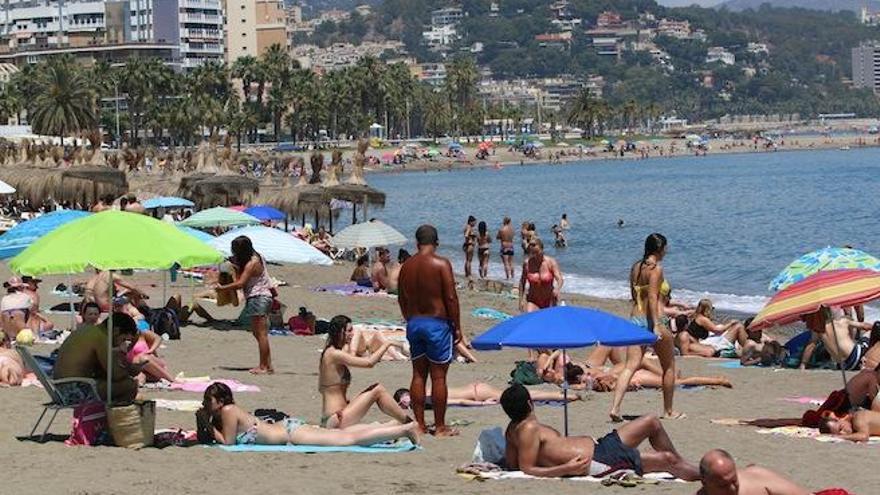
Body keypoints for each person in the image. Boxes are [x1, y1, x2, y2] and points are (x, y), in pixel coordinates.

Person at [500, 384, 699, 480]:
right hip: (600, 460)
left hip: (602, 446)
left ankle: (683, 465)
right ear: (529, 403)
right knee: (666, 459)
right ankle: (706, 477)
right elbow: (526, 469)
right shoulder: (528, 428)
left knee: (651, 422)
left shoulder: (514, 428)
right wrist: (565, 469)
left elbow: (511, 463)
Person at [200, 382, 419, 447]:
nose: (204, 404)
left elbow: (227, 442)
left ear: (220, 402)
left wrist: (205, 423)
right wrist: (204, 423)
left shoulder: (228, 410)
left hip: (293, 433)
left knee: (347, 440)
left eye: (207, 401)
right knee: (344, 436)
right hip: (290, 430)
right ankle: (388, 426)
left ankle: (404, 428)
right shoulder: (225, 414)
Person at [397, 224, 462, 436]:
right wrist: (457, 326)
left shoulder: (406, 266)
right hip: (437, 323)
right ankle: (440, 426)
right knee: (439, 377)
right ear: (436, 243)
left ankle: (421, 425)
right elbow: (451, 297)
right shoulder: (441, 264)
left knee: (418, 374)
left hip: (415, 322)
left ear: (417, 243)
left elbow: (401, 298)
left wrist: (410, 318)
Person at [610, 233, 682, 422]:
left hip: (635, 318)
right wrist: (657, 324)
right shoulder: (656, 269)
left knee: (630, 366)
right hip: (653, 321)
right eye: (665, 248)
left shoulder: (636, 267)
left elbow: (634, 294)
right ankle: (668, 411)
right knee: (668, 367)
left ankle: (615, 407)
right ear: (660, 249)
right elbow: (652, 297)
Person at [318, 315, 410, 428]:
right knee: (378, 390)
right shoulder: (334, 354)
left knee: (381, 424)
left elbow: (322, 388)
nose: (352, 334)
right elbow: (369, 363)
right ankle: (409, 422)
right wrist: (388, 344)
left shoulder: (332, 352)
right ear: (340, 332)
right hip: (335, 418)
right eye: (349, 331)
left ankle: (406, 422)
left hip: (338, 414)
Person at [213, 236, 274, 374]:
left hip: (258, 297)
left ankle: (264, 366)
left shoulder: (252, 263)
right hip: (261, 297)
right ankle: (267, 364)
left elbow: (241, 283)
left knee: (261, 334)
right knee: (258, 333)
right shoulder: (258, 256)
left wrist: (222, 289)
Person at [53, 313, 142, 403]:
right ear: (116, 331)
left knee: (113, 382)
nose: (120, 344)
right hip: (73, 391)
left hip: (61, 388)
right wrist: (131, 369)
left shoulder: (90, 331)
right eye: (122, 339)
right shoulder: (101, 337)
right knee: (130, 385)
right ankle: (113, 416)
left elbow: (102, 370)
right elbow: (116, 374)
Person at [696, 449, 811, 495]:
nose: (732, 488)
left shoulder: (757, 479)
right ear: (705, 483)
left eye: (734, 481)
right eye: (723, 485)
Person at [394, 382, 580, 408]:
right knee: (522, 394)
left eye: (402, 401)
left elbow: (458, 401)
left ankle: (565, 396)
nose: (404, 405)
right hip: (477, 388)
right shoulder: (425, 390)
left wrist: (483, 405)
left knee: (523, 395)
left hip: (478, 394)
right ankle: (562, 395)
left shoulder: (427, 398)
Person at [676, 300, 750, 358]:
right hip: (703, 342)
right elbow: (717, 331)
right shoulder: (703, 319)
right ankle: (749, 350)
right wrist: (731, 323)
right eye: (712, 309)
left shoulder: (695, 315)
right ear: (707, 309)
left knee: (727, 327)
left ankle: (747, 348)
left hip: (701, 341)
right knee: (738, 326)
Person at [799, 309, 866, 371]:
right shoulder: (841, 321)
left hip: (844, 366)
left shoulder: (817, 331)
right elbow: (864, 326)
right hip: (856, 355)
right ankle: (866, 362)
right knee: (867, 336)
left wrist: (803, 364)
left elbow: (810, 347)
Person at [518, 238, 563, 312]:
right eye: (533, 253)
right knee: (531, 319)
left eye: (537, 252)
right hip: (533, 300)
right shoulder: (527, 264)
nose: (536, 256)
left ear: (542, 249)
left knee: (548, 322)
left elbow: (560, 279)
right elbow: (522, 282)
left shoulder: (551, 262)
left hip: (549, 300)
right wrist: (521, 300)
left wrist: (557, 289)